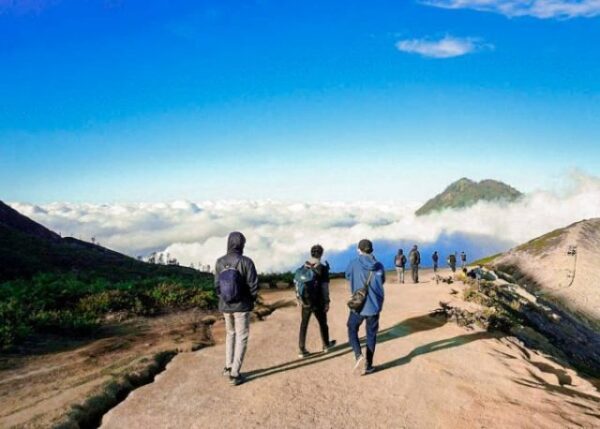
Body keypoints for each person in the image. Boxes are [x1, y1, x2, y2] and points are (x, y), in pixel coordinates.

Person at [214, 231, 258, 386]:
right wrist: (251, 301)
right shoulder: (247, 262)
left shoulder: (219, 262)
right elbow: (253, 285)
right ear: (241, 244)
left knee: (230, 334)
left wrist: (225, 299)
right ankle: (235, 374)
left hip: (226, 306)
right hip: (242, 306)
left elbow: (217, 286)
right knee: (242, 337)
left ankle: (228, 366)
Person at [346, 239, 385, 375]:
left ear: (359, 250)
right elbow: (382, 280)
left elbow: (347, 276)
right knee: (371, 335)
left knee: (352, 328)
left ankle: (358, 355)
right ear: (372, 250)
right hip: (374, 306)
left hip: (359, 305)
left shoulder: (354, 263)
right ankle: (368, 364)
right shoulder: (379, 265)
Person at [297, 244, 337, 358]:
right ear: (321, 254)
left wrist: (299, 298)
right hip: (318, 301)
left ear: (311, 253)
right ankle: (326, 345)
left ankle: (301, 349)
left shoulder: (303, 267)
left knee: (304, 324)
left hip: (305, 300)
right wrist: (327, 301)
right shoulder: (322, 268)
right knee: (323, 323)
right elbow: (325, 287)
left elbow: (298, 283)